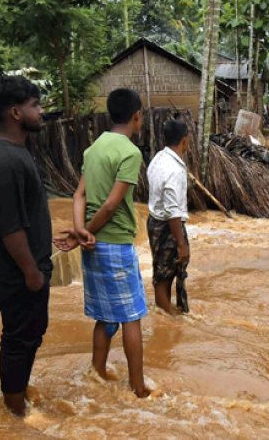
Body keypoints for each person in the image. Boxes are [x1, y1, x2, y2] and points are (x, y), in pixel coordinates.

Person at [0, 75, 86, 416]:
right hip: (18, 272)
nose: (41, 112)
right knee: (19, 338)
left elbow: (22, 216)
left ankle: (18, 394)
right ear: (14, 112)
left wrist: (45, 240)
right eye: (35, 106)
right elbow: (9, 228)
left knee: (29, 333)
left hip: (27, 266)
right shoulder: (5, 161)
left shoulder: (15, 153)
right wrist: (31, 273)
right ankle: (14, 415)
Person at [72, 87, 150, 398]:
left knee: (105, 316)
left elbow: (79, 195)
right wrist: (87, 231)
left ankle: (98, 374)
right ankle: (138, 387)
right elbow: (110, 206)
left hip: (92, 248)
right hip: (115, 244)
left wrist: (80, 232)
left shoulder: (93, 149)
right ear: (136, 116)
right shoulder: (130, 152)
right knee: (132, 316)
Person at [146, 120, 191, 315]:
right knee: (166, 273)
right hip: (168, 226)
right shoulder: (174, 169)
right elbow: (173, 210)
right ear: (184, 141)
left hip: (155, 221)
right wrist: (181, 244)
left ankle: (165, 311)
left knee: (163, 270)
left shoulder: (158, 158)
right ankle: (166, 314)